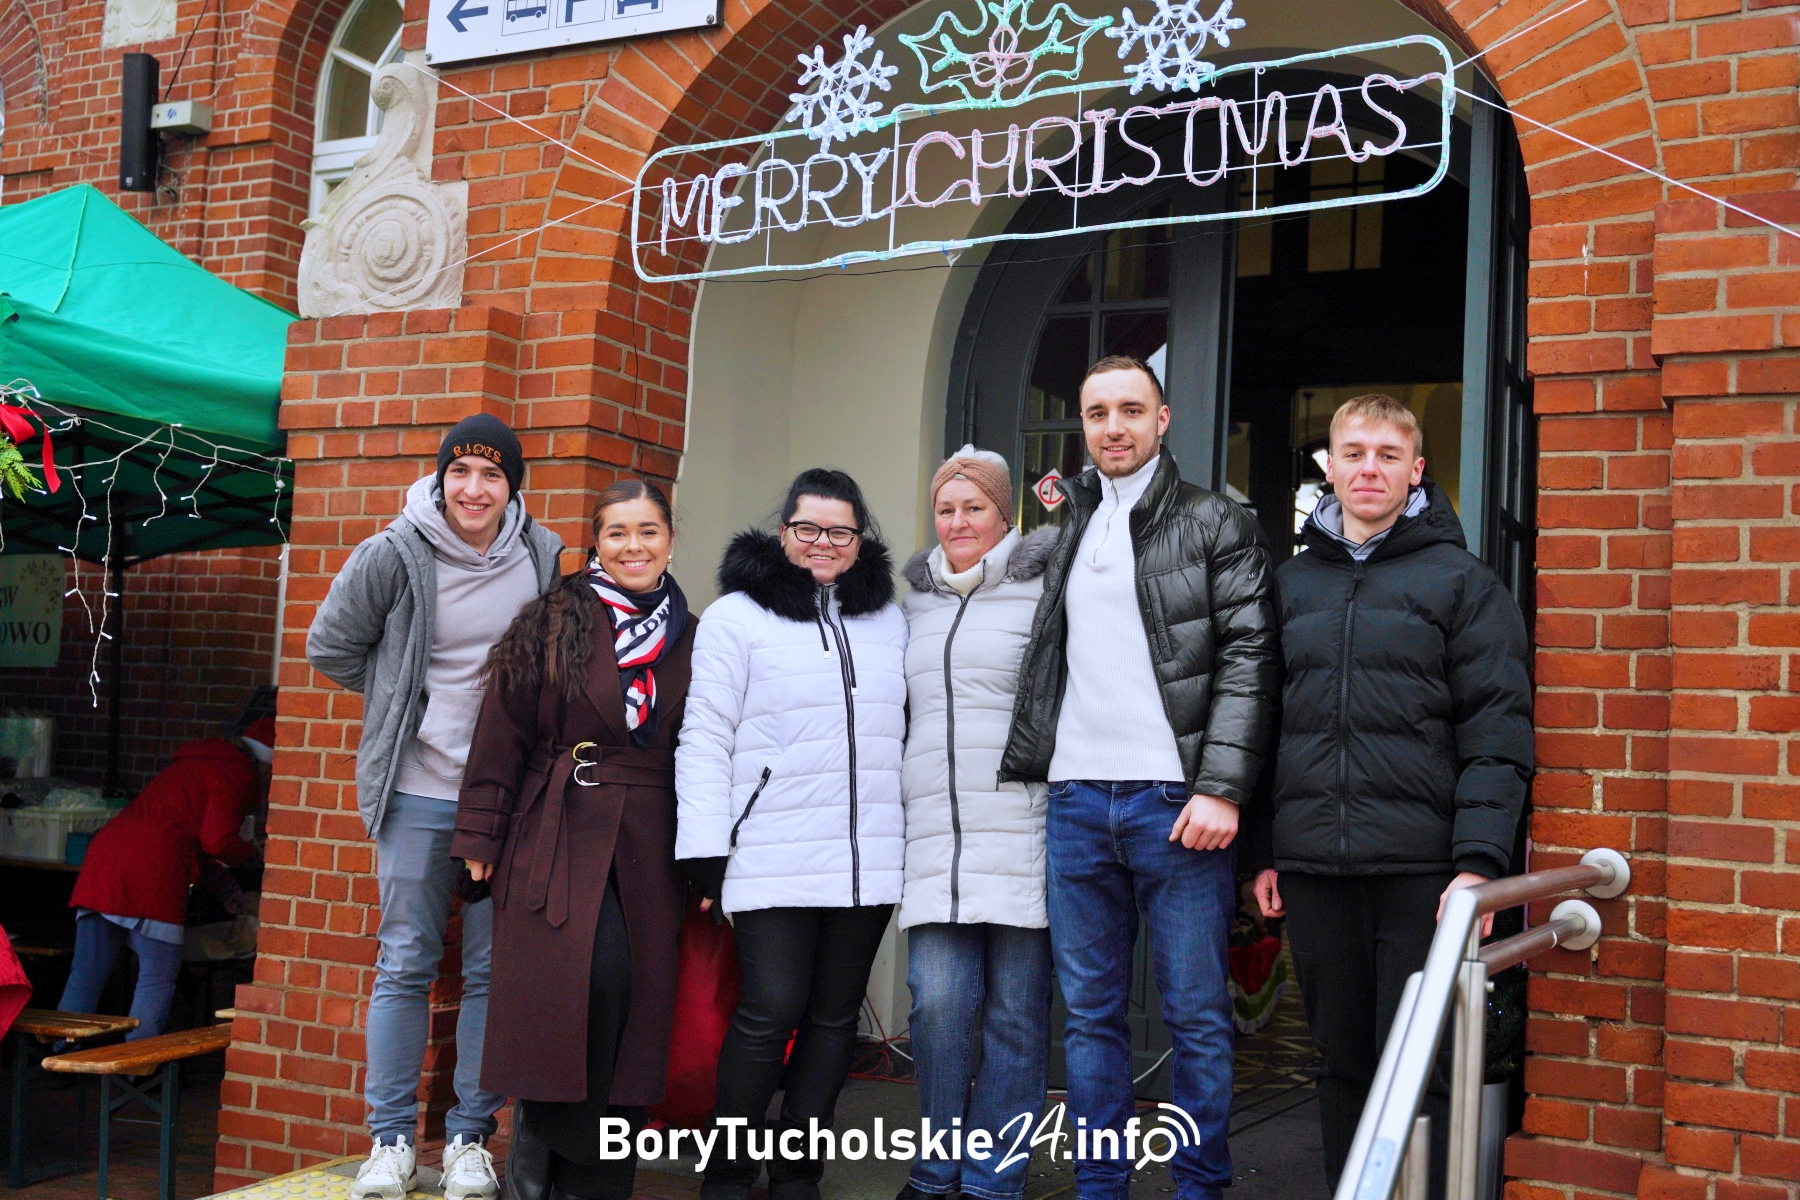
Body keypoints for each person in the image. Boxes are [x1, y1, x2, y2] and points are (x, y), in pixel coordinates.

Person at [1000, 355, 1280, 1200]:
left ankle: (1198, 1186)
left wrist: (1222, 788)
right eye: (1096, 413)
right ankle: (1099, 1187)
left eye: (1131, 410)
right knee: (1089, 1020)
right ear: (1082, 427)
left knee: (1196, 1017)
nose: (1113, 426)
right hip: (1078, 801)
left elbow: (1250, 657)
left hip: (1176, 804)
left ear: (1163, 422)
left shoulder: (1213, 521)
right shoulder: (1067, 523)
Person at [1252, 394, 1532, 1197]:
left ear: (1415, 471)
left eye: (1385, 454)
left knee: (1424, 1065)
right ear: (1330, 468)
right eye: (1352, 453)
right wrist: (1266, 852)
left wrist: (1478, 862)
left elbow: (1497, 730)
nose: (1367, 468)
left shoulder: (1463, 584)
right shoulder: (1291, 583)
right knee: (1340, 1064)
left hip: (1424, 874)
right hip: (1314, 869)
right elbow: (1265, 723)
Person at [306, 415, 563, 1200]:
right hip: (417, 789)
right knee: (405, 963)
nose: (474, 489)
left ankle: (466, 1143)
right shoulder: (395, 550)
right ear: (442, 477)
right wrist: (398, 705)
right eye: (460, 473)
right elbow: (330, 645)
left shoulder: (541, 556)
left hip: (506, 803)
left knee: (494, 971)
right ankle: (389, 1142)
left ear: (512, 485)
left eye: (491, 476)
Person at [453, 479, 696, 1200]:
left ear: (670, 540)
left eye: (647, 531)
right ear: (597, 543)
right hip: (554, 831)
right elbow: (500, 733)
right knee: (564, 1003)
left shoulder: (696, 633)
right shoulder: (551, 620)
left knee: (628, 1010)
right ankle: (535, 1176)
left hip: (652, 844)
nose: (633, 546)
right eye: (617, 532)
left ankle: (596, 1184)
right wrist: (481, 838)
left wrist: (714, 863)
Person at [675, 468, 908, 1200]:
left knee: (834, 1017)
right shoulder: (736, 618)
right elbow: (704, 736)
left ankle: (799, 1171)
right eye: (807, 528)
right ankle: (729, 1168)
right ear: (784, 533)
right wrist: (705, 849)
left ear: (859, 540)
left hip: (866, 859)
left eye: (839, 531)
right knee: (769, 1010)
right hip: (768, 852)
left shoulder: (888, 620)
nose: (822, 544)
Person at [897, 447, 1059, 1200]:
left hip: (1025, 834)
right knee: (936, 1009)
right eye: (947, 508)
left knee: (1017, 1022)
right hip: (935, 841)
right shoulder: (911, 604)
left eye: (975, 508)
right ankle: (936, 1172)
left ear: (1004, 517)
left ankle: (995, 1180)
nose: (959, 522)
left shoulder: (1043, 592)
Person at [59, 719, 274, 1039]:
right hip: (154, 870)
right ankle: (137, 1072)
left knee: (87, 974)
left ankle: (62, 1053)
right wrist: (255, 856)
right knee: (156, 979)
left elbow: (187, 832)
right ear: (269, 766)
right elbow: (216, 840)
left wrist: (222, 884)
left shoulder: (196, 762)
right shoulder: (237, 772)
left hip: (104, 858)